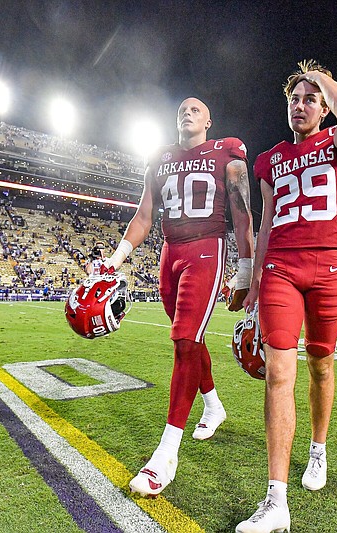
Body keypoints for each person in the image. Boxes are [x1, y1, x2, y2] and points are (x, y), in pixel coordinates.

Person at [239, 59, 337, 533]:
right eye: (294, 98)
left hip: (329, 265)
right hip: (281, 269)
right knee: (278, 371)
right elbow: (268, 220)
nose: (300, 105)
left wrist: (318, 78)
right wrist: (252, 278)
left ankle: (318, 449)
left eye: (310, 98)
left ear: (323, 105)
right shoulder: (271, 158)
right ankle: (276, 502)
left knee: (321, 364)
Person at [103, 97, 254, 497]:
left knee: (185, 340)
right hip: (169, 253)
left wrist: (245, 268)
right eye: (182, 109)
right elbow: (144, 216)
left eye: (196, 109)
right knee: (190, 340)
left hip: (206, 248)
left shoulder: (227, 151)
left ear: (209, 120)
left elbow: (241, 211)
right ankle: (213, 405)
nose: (187, 112)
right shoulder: (161, 157)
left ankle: (166, 455)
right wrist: (116, 259)